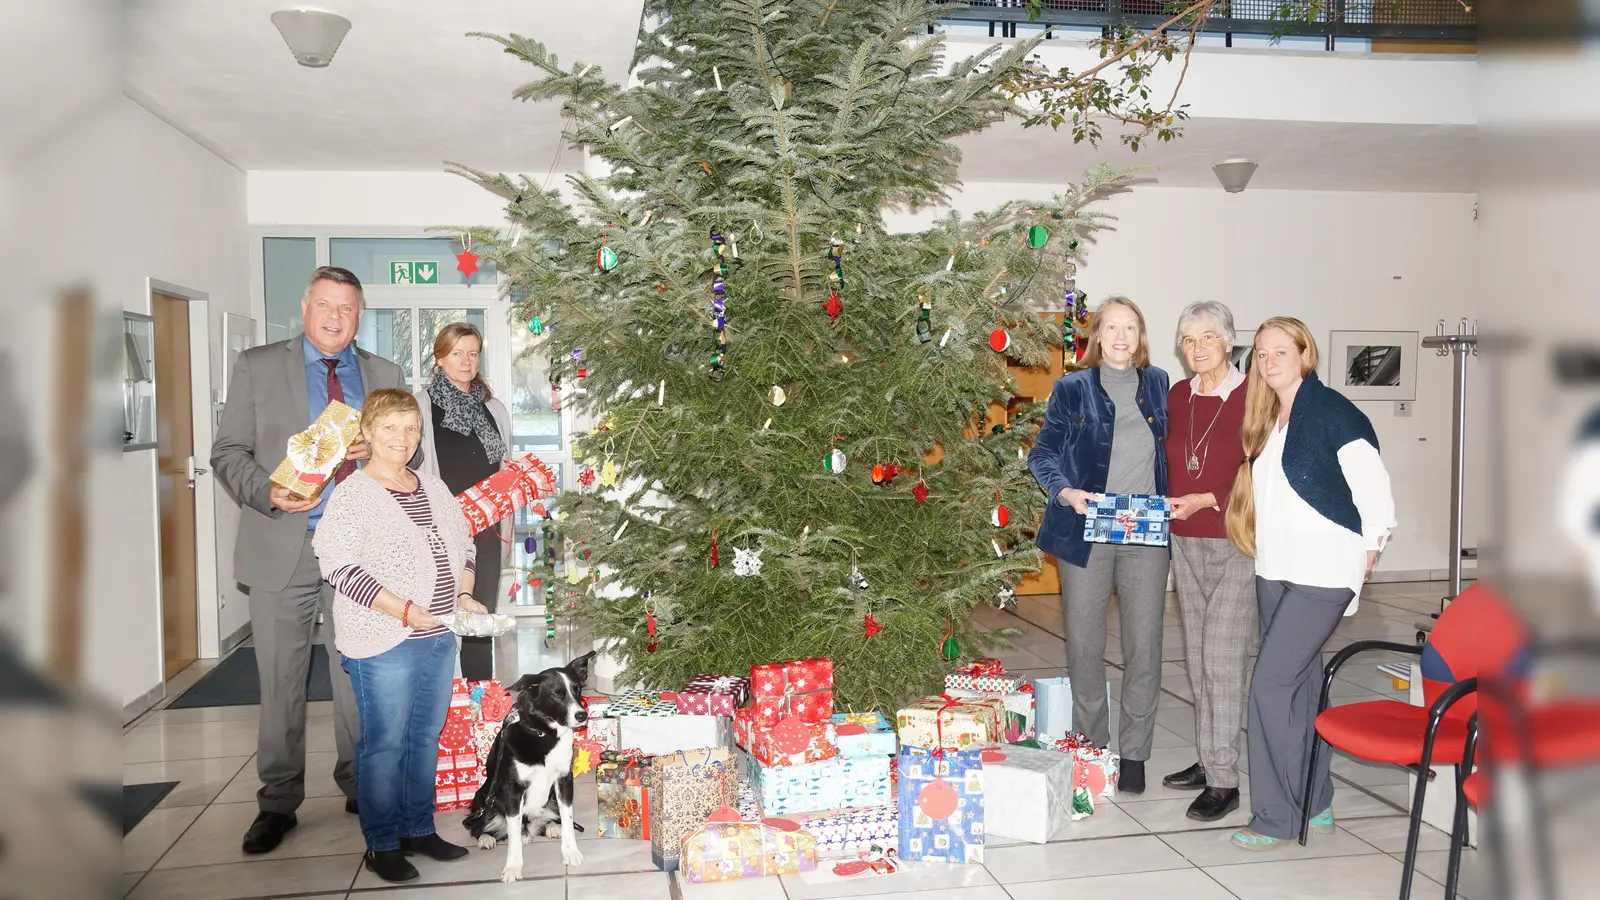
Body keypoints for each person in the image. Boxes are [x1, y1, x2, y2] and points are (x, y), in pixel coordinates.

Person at [211, 266, 405, 854]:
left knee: (358, 677)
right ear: (304, 308)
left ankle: (361, 785)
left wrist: (378, 450)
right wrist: (267, 492)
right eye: (325, 305)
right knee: (281, 682)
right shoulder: (258, 365)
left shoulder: (385, 375)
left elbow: (409, 455)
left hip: (359, 553)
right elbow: (228, 451)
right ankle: (277, 801)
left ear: (360, 315)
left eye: (346, 308)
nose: (334, 317)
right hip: (283, 545)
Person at [1225, 317, 1395, 849]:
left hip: (1322, 573)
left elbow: (1374, 489)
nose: (1269, 361)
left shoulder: (1332, 411)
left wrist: (1370, 548)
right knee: (1297, 689)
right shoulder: (1269, 417)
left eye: (1280, 351)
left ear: (1305, 354)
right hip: (1276, 569)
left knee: (1269, 686)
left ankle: (1276, 816)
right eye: (1261, 353)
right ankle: (1316, 802)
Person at [314, 388, 487, 882]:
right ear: (367, 433)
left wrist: (463, 594)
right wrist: (404, 611)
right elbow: (338, 567)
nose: (402, 437)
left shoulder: (432, 487)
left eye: (411, 428)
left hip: (438, 637)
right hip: (383, 640)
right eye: (390, 427)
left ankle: (418, 828)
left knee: (424, 737)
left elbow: (465, 544)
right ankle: (383, 843)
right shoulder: (353, 494)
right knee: (385, 744)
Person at [1028, 295, 1170, 794]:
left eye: (1130, 327)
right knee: (1086, 645)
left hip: (1145, 533)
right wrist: (1066, 492)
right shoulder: (1072, 388)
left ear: (1140, 336)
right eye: (1112, 327)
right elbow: (1042, 454)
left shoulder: (1159, 383)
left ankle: (1134, 754)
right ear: (1097, 336)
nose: (1121, 337)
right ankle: (1092, 748)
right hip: (1087, 528)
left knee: (1145, 646)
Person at [1159, 302, 1254, 821]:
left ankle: (1224, 780)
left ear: (1229, 341)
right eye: (1188, 339)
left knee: (1222, 658)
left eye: (1208, 337)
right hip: (1185, 539)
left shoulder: (1252, 395)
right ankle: (1209, 757)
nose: (1197, 348)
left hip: (1234, 539)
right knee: (1197, 657)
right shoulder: (1178, 395)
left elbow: (1264, 469)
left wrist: (1209, 498)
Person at [413, 322, 512, 682]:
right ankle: (433, 700)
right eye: (457, 353)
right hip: (437, 530)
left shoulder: (493, 408)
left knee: (479, 622)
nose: (466, 361)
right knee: (432, 620)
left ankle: (480, 697)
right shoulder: (420, 406)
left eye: (473, 353)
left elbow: (505, 467)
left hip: (486, 530)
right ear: (440, 358)